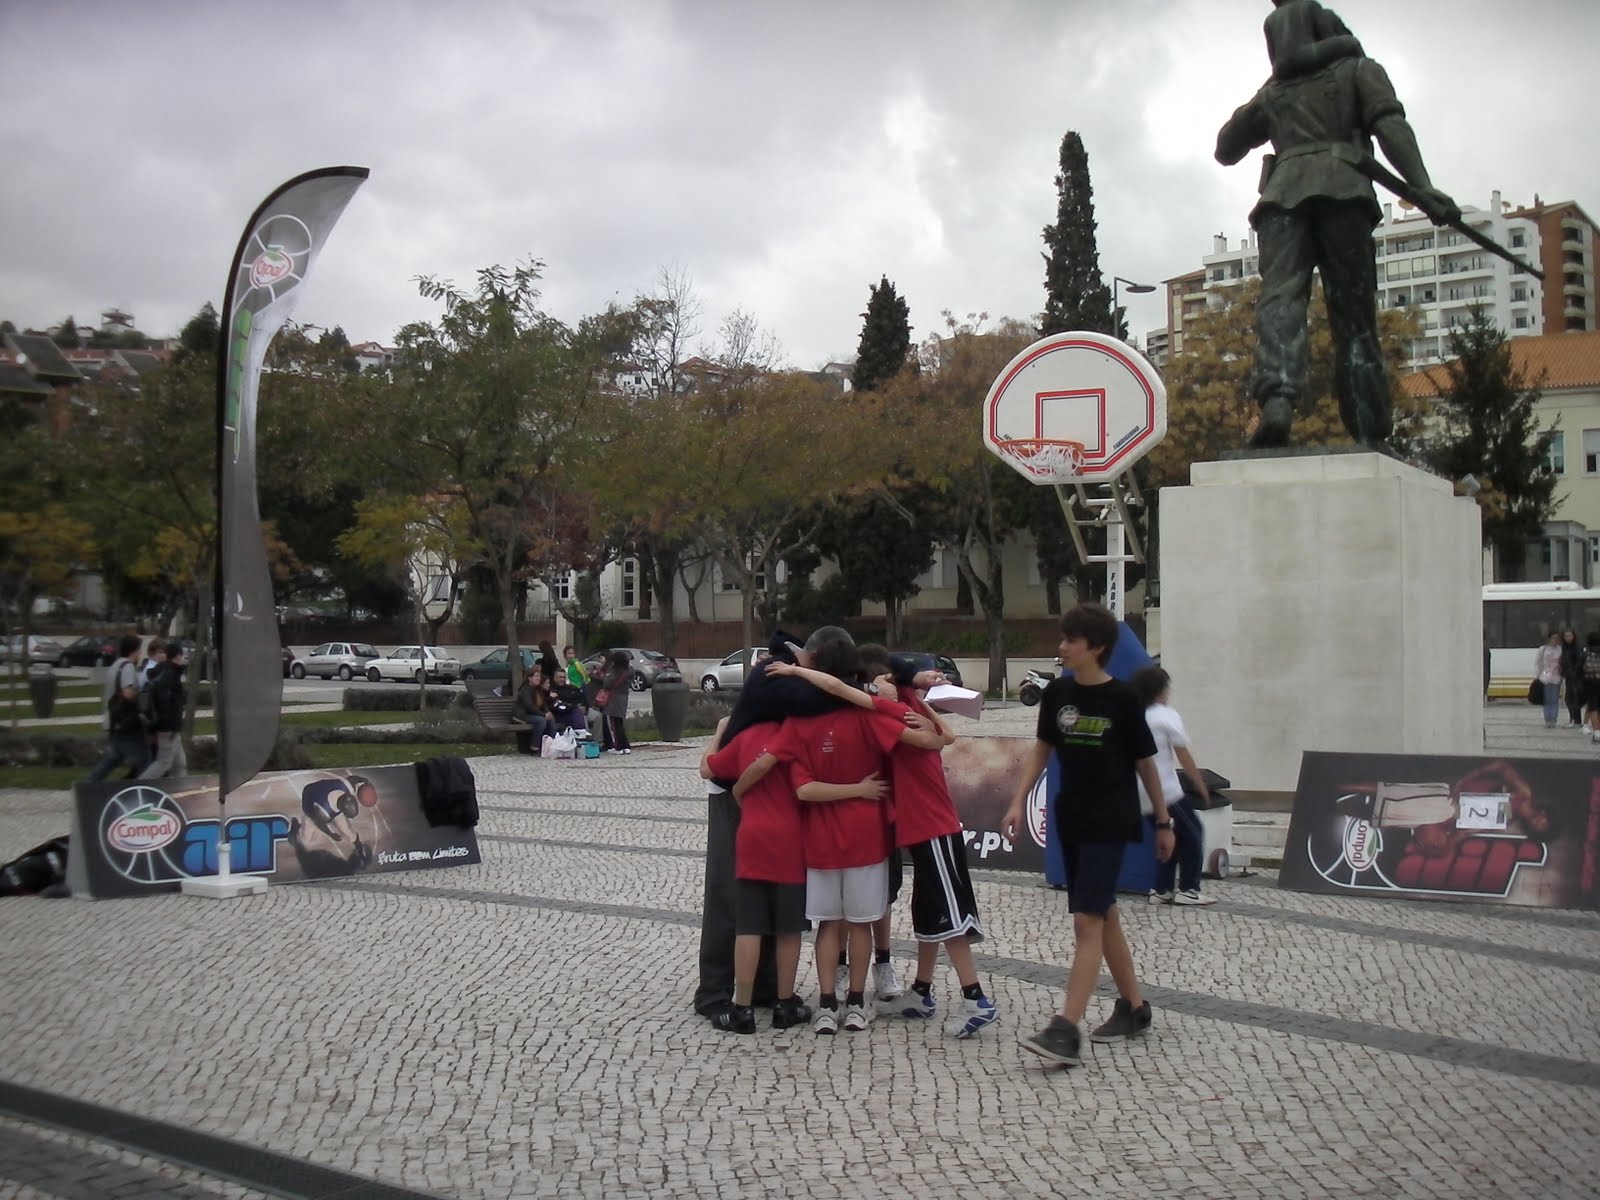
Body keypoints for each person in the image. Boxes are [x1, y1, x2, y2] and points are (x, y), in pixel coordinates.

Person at [1215, 0, 1459, 449]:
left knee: (1280, 302)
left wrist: (1271, 92)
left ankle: (1277, 402)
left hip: (1282, 200)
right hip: (1344, 193)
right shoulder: (1359, 70)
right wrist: (1422, 187)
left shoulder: (1273, 93)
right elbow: (1390, 126)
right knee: (1353, 314)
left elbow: (1226, 147)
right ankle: (1367, 424)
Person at [766, 656, 1000, 1039]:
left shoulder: (893, 713)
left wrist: (796, 670)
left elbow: (842, 689)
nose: (876, 686)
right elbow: (944, 735)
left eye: (883, 681)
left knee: (950, 919)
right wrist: (925, 707)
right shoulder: (904, 707)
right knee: (927, 915)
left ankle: (976, 999)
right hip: (919, 830)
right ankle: (921, 992)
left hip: (936, 828)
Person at [739, 639, 946, 1034]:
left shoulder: (798, 724)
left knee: (828, 926)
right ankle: (855, 1003)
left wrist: (737, 789)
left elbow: (799, 787)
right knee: (861, 924)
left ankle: (825, 1005)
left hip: (820, 842)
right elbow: (929, 740)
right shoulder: (870, 717)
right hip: (867, 838)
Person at [1002, 604, 1174, 1068]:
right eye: (1062, 639)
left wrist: (1163, 822)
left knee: (1087, 921)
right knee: (1104, 912)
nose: (1062, 647)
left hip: (1110, 820)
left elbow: (1147, 765)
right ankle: (1134, 1007)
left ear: (1096, 647)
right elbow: (1042, 750)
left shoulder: (1123, 699)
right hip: (1071, 819)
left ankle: (1066, 1029)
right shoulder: (1058, 693)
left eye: (1071, 640)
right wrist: (1018, 801)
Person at [698, 716, 813, 1034]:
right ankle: (783, 1001)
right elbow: (806, 788)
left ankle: (743, 1006)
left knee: (747, 924)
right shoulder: (796, 735)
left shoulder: (745, 735)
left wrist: (720, 731)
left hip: (751, 831)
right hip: (790, 837)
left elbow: (708, 768)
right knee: (788, 926)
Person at [1131, 666, 1214, 907]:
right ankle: (1189, 889)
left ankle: (1162, 889)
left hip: (1139, 793)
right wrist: (1200, 784)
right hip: (1166, 792)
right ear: (1161, 691)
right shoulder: (1165, 716)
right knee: (1194, 832)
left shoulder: (1136, 715)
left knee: (1169, 836)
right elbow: (1183, 755)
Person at [85, 635, 150, 783]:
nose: (140, 654)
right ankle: (138, 789)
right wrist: (142, 692)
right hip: (126, 721)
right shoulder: (127, 667)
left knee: (114, 757)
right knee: (144, 758)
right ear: (134, 650)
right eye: (139, 650)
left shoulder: (115, 665)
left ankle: (89, 784)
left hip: (113, 720)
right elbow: (128, 693)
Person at [138, 643, 188, 780]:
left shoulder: (163, 671)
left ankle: (180, 788)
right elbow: (165, 703)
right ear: (178, 656)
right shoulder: (169, 674)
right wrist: (166, 727)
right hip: (168, 727)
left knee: (180, 764)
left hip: (170, 727)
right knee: (164, 762)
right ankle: (138, 786)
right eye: (182, 656)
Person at [512, 666, 555, 754]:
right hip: (522, 716)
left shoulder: (538, 689)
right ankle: (534, 746)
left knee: (551, 718)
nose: (538, 678)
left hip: (533, 714)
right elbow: (529, 706)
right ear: (529, 678)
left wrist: (548, 712)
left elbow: (543, 704)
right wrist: (543, 715)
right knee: (541, 721)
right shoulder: (525, 690)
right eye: (536, 676)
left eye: (539, 676)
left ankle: (550, 744)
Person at [598, 650, 632, 754]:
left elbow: (607, 683)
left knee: (613, 724)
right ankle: (625, 745)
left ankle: (618, 747)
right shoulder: (629, 670)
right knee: (619, 723)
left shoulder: (615, 671)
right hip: (623, 697)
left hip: (613, 699)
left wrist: (604, 675)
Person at [1535, 631, 1563, 729]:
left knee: (1554, 699)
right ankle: (1547, 719)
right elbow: (1538, 663)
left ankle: (1553, 719)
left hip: (1557, 677)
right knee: (1547, 699)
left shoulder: (1560, 649)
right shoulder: (1543, 649)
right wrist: (1538, 675)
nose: (1555, 640)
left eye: (1557, 638)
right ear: (1549, 639)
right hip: (1545, 677)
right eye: (1553, 638)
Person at [1560, 630, 1585, 729]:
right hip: (1569, 676)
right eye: (1566, 636)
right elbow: (1564, 661)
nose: (1568, 638)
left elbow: (1579, 662)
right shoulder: (1565, 648)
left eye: (1570, 635)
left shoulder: (1577, 647)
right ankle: (1574, 719)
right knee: (1569, 699)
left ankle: (1576, 720)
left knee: (1573, 698)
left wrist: (1574, 672)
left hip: (1576, 677)